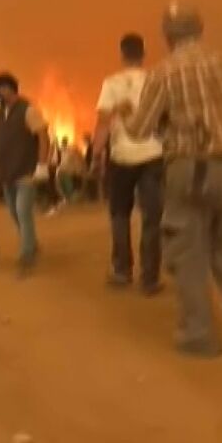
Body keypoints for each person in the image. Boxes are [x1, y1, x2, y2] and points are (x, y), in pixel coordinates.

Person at [119, 2, 222, 358]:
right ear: (200, 29)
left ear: (167, 36)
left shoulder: (164, 73)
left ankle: (197, 333)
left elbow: (140, 130)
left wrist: (127, 114)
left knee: (187, 251)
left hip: (190, 168)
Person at [93, 33, 165, 295]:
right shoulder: (156, 80)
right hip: (154, 155)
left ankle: (122, 270)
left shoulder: (111, 83)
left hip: (121, 157)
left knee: (119, 215)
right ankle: (150, 278)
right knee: (152, 217)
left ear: (122, 54)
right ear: (143, 52)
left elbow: (102, 120)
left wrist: (96, 153)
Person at [0, 72, 50, 276]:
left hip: (26, 171)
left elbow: (42, 135)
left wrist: (42, 164)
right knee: (15, 213)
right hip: (7, 173)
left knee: (23, 212)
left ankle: (27, 256)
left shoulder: (28, 110)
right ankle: (31, 242)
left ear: (7, 88)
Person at [56, 136, 86, 203]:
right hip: (66, 170)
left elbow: (77, 163)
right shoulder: (64, 150)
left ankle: (70, 195)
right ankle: (69, 196)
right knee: (63, 178)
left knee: (66, 178)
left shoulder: (70, 151)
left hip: (71, 171)